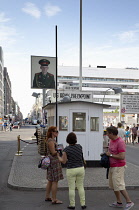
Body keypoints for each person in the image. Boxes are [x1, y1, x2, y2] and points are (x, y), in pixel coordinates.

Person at [106, 126, 134, 210]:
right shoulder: (111, 141)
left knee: (119, 184)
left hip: (119, 166)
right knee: (114, 185)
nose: (106, 134)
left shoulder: (120, 142)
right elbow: (111, 151)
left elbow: (122, 156)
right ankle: (119, 202)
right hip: (112, 166)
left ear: (111, 133)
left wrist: (110, 155)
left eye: (107, 133)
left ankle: (129, 201)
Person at [57, 132, 86, 209]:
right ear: (75, 139)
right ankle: (83, 204)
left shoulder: (66, 149)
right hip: (80, 168)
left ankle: (72, 204)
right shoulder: (79, 147)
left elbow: (63, 161)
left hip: (71, 169)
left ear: (67, 140)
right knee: (80, 186)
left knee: (72, 188)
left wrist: (58, 156)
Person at [45, 126, 63, 204]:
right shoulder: (51, 141)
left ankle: (47, 196)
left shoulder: (50, 140)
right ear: (52, 132)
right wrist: (59, 150)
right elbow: (53, 152)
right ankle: (54, 199)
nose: (57, 133)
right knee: (55, 181)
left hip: (51, 161)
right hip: (54, 161)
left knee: (50, 180)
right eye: (56, 131)